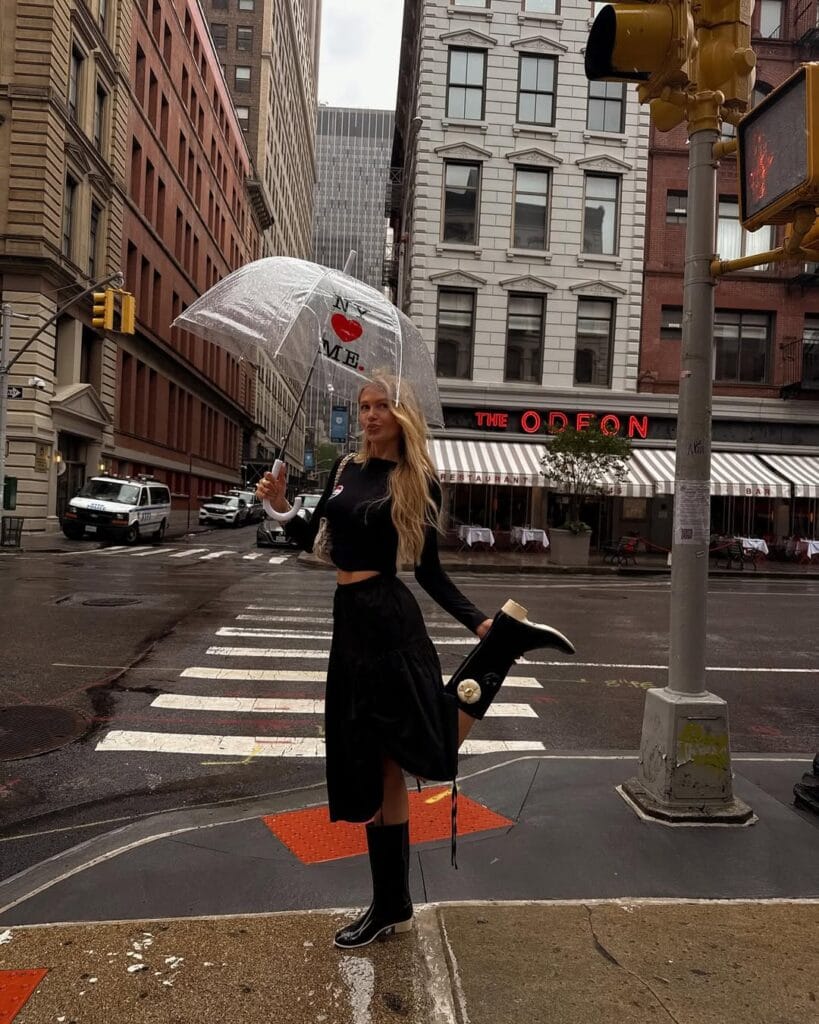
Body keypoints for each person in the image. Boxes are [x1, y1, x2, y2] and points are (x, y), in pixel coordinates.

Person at [257, 372, 572, 949]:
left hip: (389, 620)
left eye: (382, 407)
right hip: (349, 621)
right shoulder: (344, 470)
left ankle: (498, 649)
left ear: (403, 416)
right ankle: (392, 906)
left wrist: (477, 622)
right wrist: (281, 509)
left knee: (419, 745)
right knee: (379, 765)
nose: (370, 416)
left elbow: (427, 570)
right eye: (364, 406)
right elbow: (325, 547)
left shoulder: (415, 480)